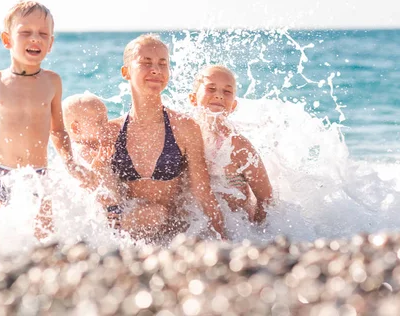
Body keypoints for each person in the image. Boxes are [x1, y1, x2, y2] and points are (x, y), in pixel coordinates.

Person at [0, 0, 79, 239]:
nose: (35, 39)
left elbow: (58, 129)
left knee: (44, 236)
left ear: (51, 43)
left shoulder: (52, 82)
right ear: (7, 40)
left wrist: (70, 163)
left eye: (43, 34)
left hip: (37, 174)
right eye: (25, 32)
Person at [99, 34, 227, 243]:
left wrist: (223, 239)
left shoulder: (184, 128)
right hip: (128, 233)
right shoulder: (111, 132)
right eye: (145, 62)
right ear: (126, 72)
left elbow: (203, 192)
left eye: (163, 63)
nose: (156, 70)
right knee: (153, 213)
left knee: (157, 213)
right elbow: (99, 189)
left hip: (175, 233)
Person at [189, 65, 273, 223]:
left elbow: (265, 196)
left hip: (239, 225)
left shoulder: (237, 145)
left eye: (227, 92)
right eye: (211, 88)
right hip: (198, 223)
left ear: (233, 105)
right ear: (193, 99)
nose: (219, 96)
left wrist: (259, 233)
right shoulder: (185, 137)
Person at [62, 92, 122, 226]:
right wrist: (100, 163)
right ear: (76, 128)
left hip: (109, 207)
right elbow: (94, 179)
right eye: (99, 122)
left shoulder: (93, 144)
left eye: (106, 120)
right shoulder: (82, 150)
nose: (106, 126)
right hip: (106, 210)